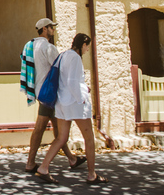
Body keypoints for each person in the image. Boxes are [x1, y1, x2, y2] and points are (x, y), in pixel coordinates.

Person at [35, 33, 109, 185]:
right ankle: (91, 174)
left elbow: (65, 79)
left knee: (61, 137)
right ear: (83, 45)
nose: (87, 50)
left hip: (61, 102)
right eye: (87, 46)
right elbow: (72, 81)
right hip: (75, 103)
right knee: (89, 138)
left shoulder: (63, 55)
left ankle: (43, 167)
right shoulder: (75, 58)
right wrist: (82, 97)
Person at [21, 18, 85, 174]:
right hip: (49, 93)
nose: (53, 30)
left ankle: (72, 159)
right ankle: (32, 163)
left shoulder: (30, 46)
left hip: (39, 91)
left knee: (58, 128)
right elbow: (59, 68)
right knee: (42, 127)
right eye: (51, 27)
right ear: (44, 29)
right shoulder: (48, 48)